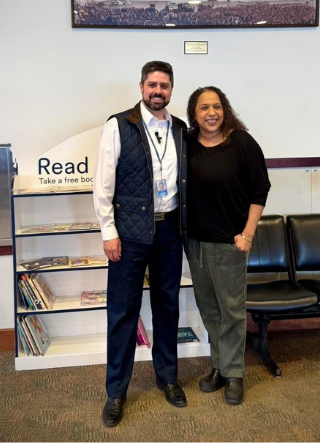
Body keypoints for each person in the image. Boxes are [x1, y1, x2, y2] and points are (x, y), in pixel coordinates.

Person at [94, 61, 189, 428]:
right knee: (122, 314)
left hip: (169, 233)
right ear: (140, 87)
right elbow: (103, 183)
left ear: (171, 90)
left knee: (168, 309)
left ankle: (168, 378)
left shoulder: (179, 129)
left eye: (164, 85)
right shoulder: (118, 125)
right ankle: (116, 392)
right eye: (152, 84)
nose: (158, 91)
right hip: (129, 236)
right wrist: (108, 232)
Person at [183, 86, 270, 405]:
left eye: (216, 106)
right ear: (194, 113)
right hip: (194, 243)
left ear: (225, 109)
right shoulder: (188, 143)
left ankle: (235, 374)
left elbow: (260, 190)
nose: (211, 113)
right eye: (204, 107)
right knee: (210, 310)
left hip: (230, 244)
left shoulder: (241, 143)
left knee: (231, 311)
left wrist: (247, 234)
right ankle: (219, 366)